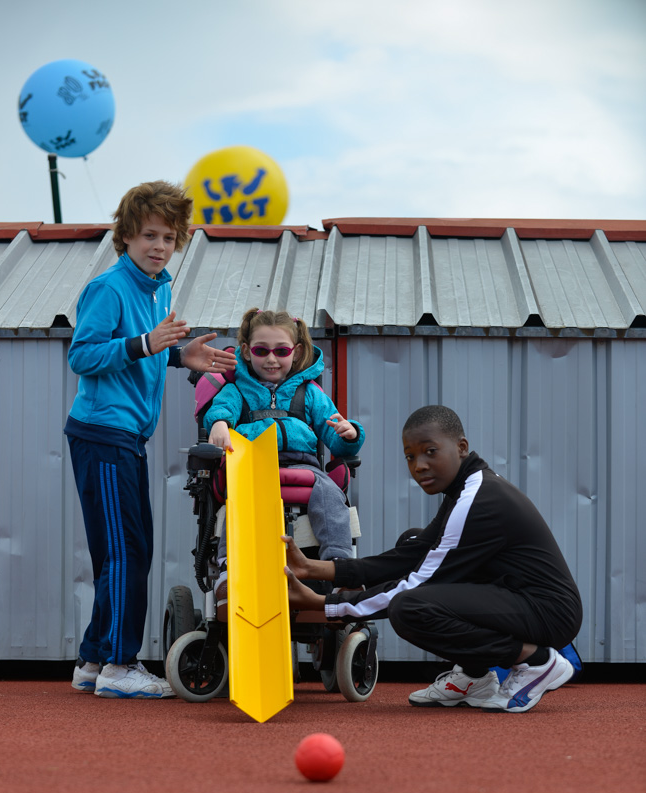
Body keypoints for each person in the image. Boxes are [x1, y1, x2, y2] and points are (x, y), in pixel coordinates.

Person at [284, 404, 583, 714]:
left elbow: (413, 584)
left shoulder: (476, 500)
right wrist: (313, 567)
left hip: (548, 612)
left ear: (461, 447)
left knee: (409, 607)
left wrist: (325, 604)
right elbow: (409, 557)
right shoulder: (467, 487)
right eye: (411, 457)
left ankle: (537, 662)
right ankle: (475, 676)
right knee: (413, 541)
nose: (420, 466)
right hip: (521, 598)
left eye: (430, 452)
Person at [64, 180, 236, 699]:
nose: (160, 246)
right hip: (103, 433)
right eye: (149, 236)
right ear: (126, 238)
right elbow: (83, 355)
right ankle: (120, 667)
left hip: (126, 437)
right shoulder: (109, 287)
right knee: (127, 552)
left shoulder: (159, 287)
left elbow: (145, 350)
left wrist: (178, 355)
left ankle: (93, 661)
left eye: (169, 237)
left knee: (122, 551)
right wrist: (147, 343)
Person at [204, 307, 365, 594]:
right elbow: (221, 409)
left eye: (281, 351)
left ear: (297, 351)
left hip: (305, 467)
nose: (271, 359)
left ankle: (340, 567)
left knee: (331, 495)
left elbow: (335, 438)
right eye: (261, 350)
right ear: (246, 350)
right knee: (238, 497)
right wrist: (218, 424)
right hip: (252, 466)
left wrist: (349, 434)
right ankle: (230, 567)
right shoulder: (237, 391)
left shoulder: (310, 392)